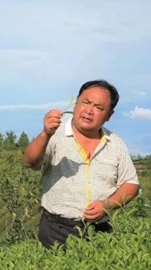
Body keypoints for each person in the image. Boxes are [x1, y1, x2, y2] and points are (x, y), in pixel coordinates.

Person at [24, 79, 140, 249]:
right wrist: (45, 134)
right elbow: (30, 161)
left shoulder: (115, 143)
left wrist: (107, 205)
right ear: (76, 103)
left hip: (99, 231)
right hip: (57, 230)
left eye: (99, 107)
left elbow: (131, 183)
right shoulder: (55, 136)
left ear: (109, 115)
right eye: (86, 102)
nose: (89, 111)